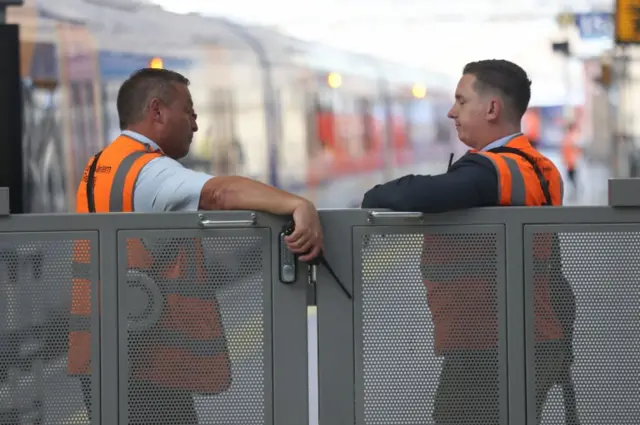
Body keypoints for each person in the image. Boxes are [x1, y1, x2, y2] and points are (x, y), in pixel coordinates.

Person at [67, 68, 324, 424]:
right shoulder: (151, 170)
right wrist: (299, 205)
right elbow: (220, 193)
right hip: (149, 358)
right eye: (189, 112)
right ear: (156, 111)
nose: (196, 125)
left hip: (101, 349)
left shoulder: (100, 166)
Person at [361, 59, 577, 424]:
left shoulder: (493, 170)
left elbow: (417, 194)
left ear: (492, 108)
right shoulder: (542, 168)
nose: (451, 112)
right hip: (535, 334)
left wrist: (370, 197)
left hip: (489, 345)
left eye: (461, 101)